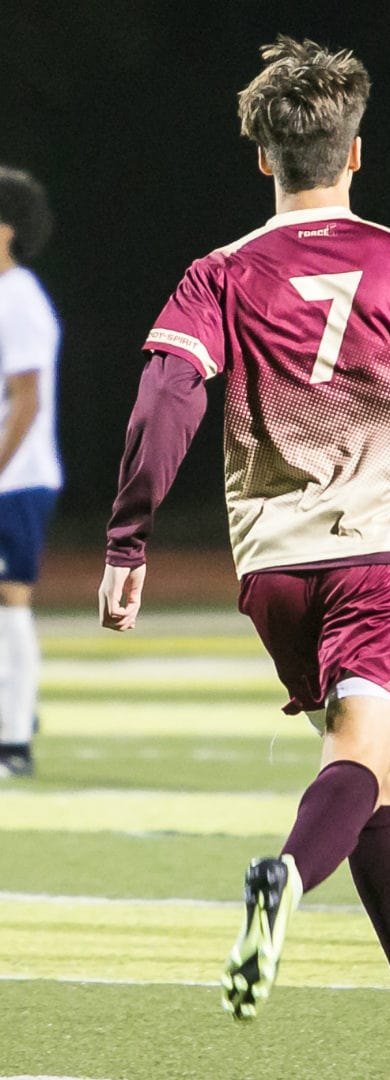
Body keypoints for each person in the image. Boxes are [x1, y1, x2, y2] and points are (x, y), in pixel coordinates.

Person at [97, 36, 390, 1076]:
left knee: (376, 776)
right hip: (385, 550)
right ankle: (286, 875)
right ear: (355, 152)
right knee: (356, 764)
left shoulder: (220, 273)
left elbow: (164, 401)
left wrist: (128, 538)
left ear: (263, 160)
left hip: (275, 566)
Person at [0, 165, 61, 780]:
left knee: (10, 600)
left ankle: (14, 740)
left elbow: (27, 400)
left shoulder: (20, 298)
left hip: (16, 480)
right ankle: (16, 711)